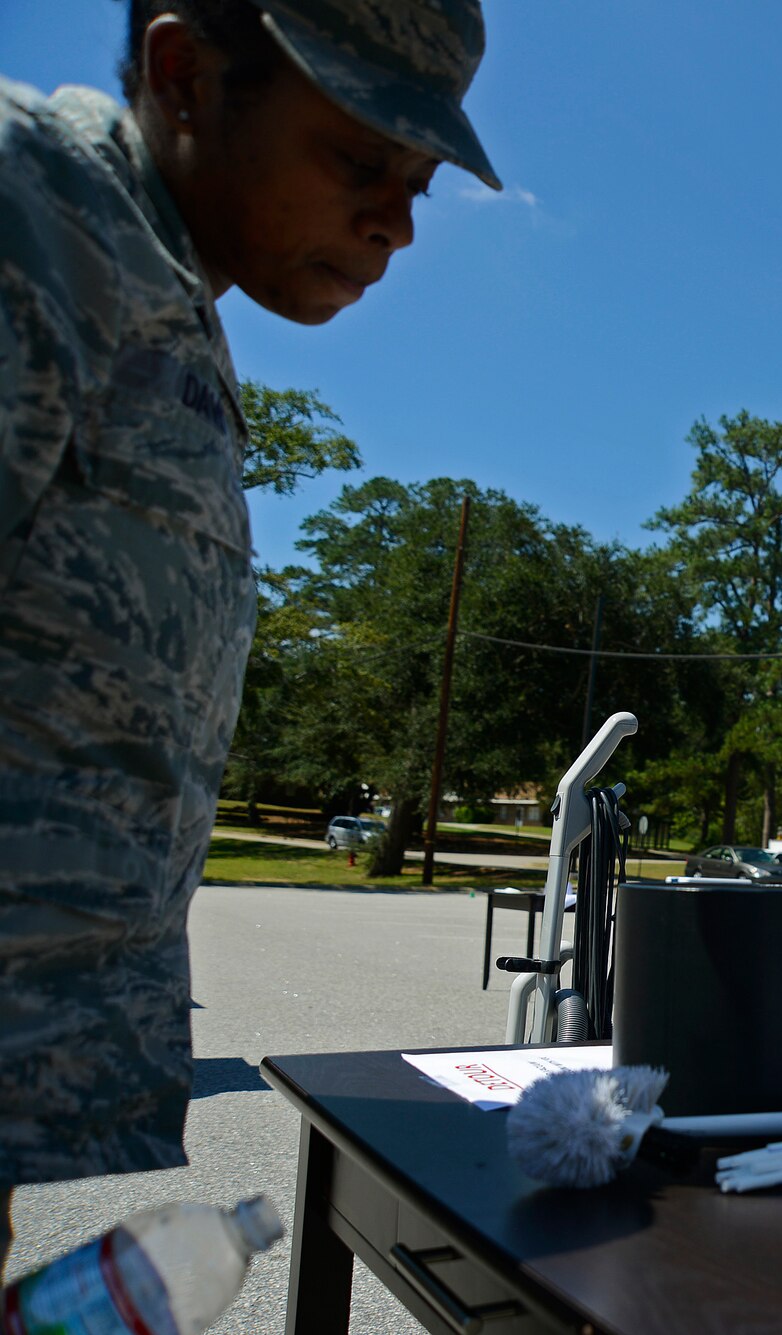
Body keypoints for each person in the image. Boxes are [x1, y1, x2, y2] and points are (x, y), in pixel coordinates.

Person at [0, 0, 500, 1258]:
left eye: (418, 185)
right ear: (186, 73)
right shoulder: (38, 213)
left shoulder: (161, 280)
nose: (392, 220)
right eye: (358, 160)